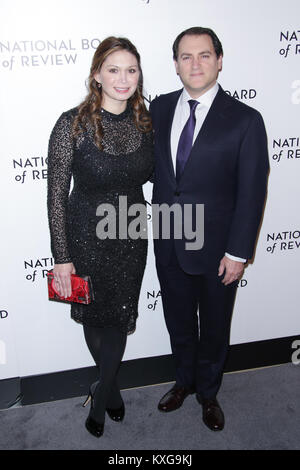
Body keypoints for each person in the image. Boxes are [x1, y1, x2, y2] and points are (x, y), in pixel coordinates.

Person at [149, 27, 269, 431]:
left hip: (219, 250)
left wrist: (238, 252)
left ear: (219, 60)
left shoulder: (246, 120)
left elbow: (252, 192)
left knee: (215, 326)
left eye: (204, 55)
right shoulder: (159, 109)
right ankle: (183, 381)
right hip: (169, 242)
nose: (195, 64)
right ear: (176, 64)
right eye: (186, 56)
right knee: (178, 321)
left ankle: (209, 392)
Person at [47, 36, 153, 438]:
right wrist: (61, 256)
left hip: (131, 237)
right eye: (113, 69)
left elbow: (163, 177)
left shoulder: (146, 123)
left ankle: (103, 387)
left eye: (131, 69)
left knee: (120, 318)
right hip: (84, 239)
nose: (123, 78)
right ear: (96, 75)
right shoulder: (71, 124)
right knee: (95, 317)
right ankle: (108, 391)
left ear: (139, 75)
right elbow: (56, 194)